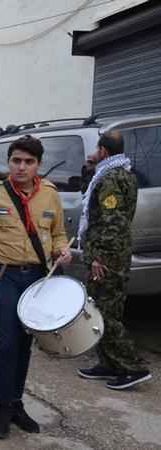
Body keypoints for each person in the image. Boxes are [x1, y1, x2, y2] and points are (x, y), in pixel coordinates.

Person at [0, 135, 72, 440]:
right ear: (8, 162)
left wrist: (61, 250)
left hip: (38, 277)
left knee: (25, 344)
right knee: (8, 342)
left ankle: (16, 403)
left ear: (38, 165)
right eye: (16, 161)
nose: (21, 167)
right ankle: (2, 406)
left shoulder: (50, 194)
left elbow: (59, 234)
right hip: (3, 276)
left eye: (28, 162)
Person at [77, 131, 151, 390]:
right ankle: (107, 364)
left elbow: (113, 221)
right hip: (115, 254)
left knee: (105, 313)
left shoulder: (110, 178)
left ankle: (133, 367)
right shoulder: (123, 173)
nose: (93, 153)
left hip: (107, 257)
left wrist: (100, 257)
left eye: (96, 149)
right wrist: (88, 171)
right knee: (107, 308)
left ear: (104, 152)